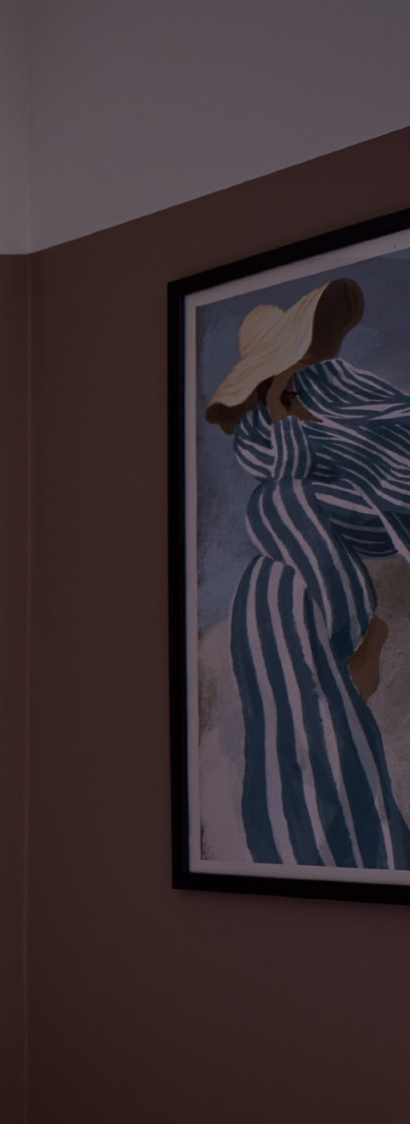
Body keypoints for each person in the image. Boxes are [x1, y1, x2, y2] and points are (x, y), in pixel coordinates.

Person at [210, 276, 410, 869]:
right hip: (309, 547)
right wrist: (281, 416)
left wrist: (298, 417)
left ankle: (363, 632)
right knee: (270, 574)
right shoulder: (259, 427)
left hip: (357, 516)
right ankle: (358, 643)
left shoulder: (333, 386)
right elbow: (277, 466)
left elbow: (382, 440)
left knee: (268, 506)